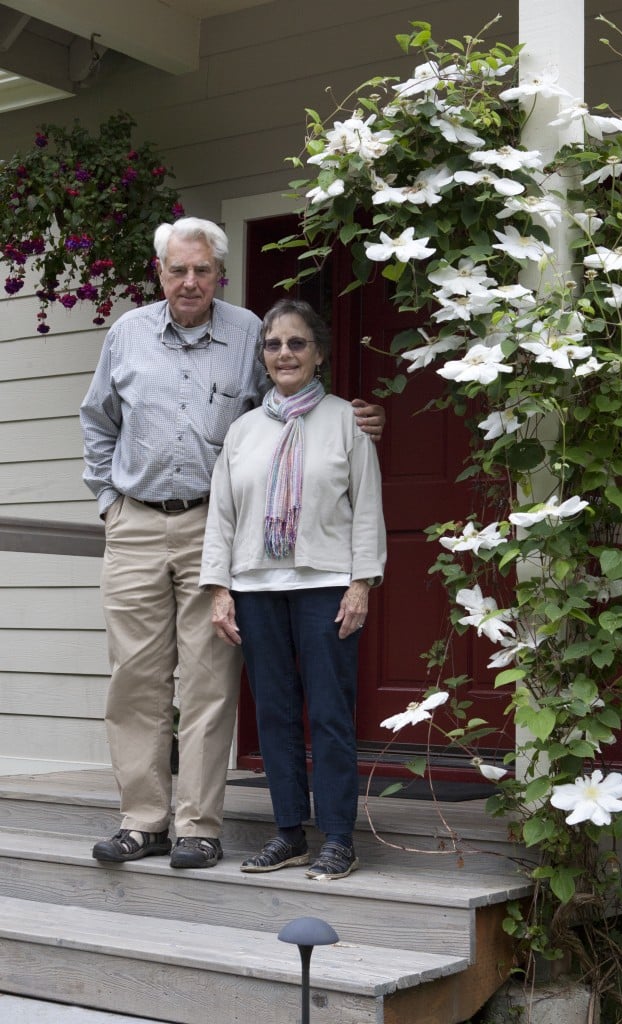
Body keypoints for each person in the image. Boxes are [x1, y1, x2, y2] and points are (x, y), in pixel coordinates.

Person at [80, 218, 384, 870]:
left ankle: (198, 826)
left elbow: (286, 409)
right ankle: (143, 822)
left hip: (214, 527)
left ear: (220, 273)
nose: (189, 282)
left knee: (210, 680)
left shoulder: (248, 330)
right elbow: (97, 422)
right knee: (134, 677)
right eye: (177, 270)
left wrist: (353, 420)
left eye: (202, 270)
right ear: (159, 272)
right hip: (134, 522)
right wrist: (109, 506)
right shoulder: (127, 334)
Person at [200, 298, 386, 880]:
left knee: (330, 712)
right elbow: (222, 516)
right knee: (275, 715)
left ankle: (336, 837)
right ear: (263, 356)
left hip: (326, 584)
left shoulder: (346, 422)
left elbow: (366, 509)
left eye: (297, 343)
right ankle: (288, 833)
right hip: (255, 587)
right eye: (274, 344)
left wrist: (361, 583)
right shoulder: (242, 431)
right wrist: (219, 589)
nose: (285, 353)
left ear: (319, 354)